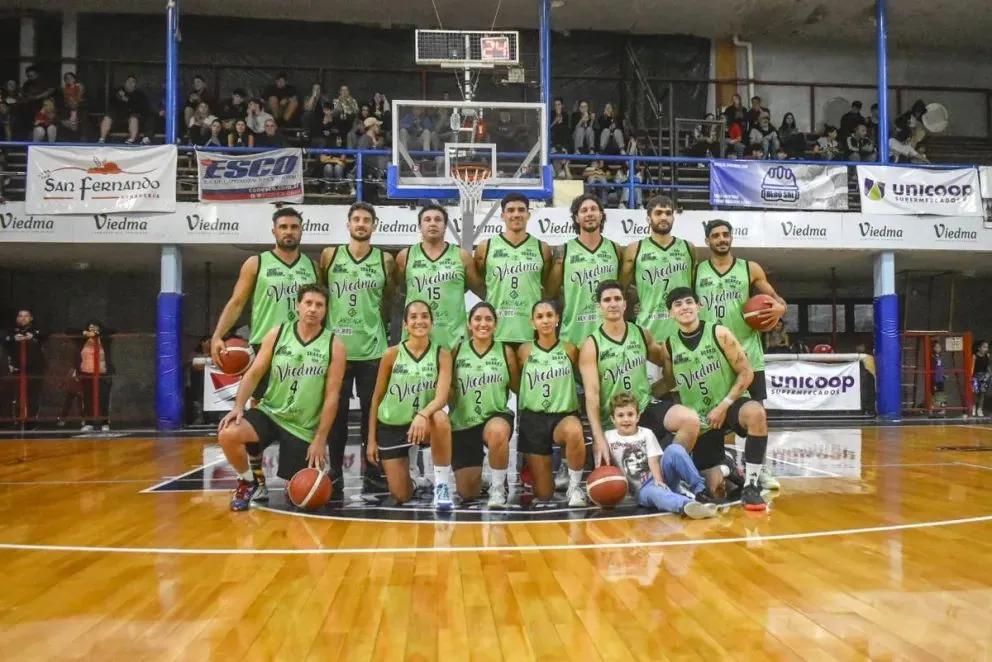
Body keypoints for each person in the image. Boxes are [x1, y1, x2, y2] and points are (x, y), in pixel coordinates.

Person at [210, 207, 319, 497]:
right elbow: (237, 302)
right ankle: (256, 481)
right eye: (283, 226)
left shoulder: (312, 266)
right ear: (274, 231)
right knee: (258, 415)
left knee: (302, 413)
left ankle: (298, 468)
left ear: (301, 230)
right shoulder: (256, 263)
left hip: (304, 352)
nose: (288, 231)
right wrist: (218, 335)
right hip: (266, 350)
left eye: (294, 227)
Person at [217, 285, 346, 512]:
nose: (313, 309)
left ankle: (294, 475)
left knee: (304, 495)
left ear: (326, 310)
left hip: (302, 427)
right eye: (308, 303)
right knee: (228, 433)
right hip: (271, 412)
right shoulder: (278, 333)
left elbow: (332, 396)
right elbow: (255, 372)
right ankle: (247, 482)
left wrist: (319, 439)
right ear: (298, 306)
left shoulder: (334, 345)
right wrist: (238, 406)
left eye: (319, 305)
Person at [660, 287, 770, 511]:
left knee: (756, 413)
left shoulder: (719, 333)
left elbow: (747, 372)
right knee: (713, 486)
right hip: (701, 419)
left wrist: (724, 406)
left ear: (699, 306)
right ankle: (727, 465)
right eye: (677, 305)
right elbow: (670, 383)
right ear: (671, 313)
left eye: (689, 302)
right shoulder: (669, 345)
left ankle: (751, 484)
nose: (684, 308)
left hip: (728, 406)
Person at [695, 219, 786, 489]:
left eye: (725, 234)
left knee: (756, 414)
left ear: (731, 238)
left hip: (749, 354)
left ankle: (758, 467)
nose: (721, 239)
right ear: (707, 241)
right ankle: (719, 465)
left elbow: (777, 301)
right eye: (715, 235)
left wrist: (780, 309)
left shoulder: (750, 269)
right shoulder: (696, 271)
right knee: (714, 416)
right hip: (713, 358)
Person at [579, 280, 702, 468]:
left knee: (690, 420)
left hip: (644, 408)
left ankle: (666, 472)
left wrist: (659, 387)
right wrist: (598, 437)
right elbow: (592, 395)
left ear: (625, 304)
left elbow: (667, 362)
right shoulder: (591, 345)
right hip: (614, 418)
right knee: (615, 487)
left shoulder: (641, 334)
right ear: (599, 306)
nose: (613, 304)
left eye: (617, 299)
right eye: (607, 300)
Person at [320, 202, 396, 493]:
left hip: (372, 349)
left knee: (371, 415)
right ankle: (335, 469)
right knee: (335, 415)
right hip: (338, 350)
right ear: (348, 224)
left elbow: (388, 299)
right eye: (356, 219)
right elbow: (322, 292)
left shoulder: (385, 260)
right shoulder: (330, 255)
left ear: (374, 225)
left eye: (366, 220)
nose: (361, 224)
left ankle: (373, 470)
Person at [368, 300, 454, 510]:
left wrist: (423, 414)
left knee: (441, 418)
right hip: (392, 425)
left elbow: (441, 397)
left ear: (432, 323)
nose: (419, 321)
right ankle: (416, 481)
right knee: (401, 495)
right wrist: (371, 440)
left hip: (422, 424)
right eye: (413, 317)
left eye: (424, 316)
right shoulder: (392, 354)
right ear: (405, 325)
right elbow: (376, 398)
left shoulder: (442, 354)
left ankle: (442, 486)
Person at [517, 300, 588, 506]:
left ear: (557, 319)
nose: (545, 320)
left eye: (549, 315)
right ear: (532, 322)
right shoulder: (524, 351)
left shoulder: (570, 349)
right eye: (540, 317)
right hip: (533, 419)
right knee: (544, 494)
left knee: (575, 431)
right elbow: (516, 382)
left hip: (563, 415)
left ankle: (574, 487)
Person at [620, 195, 697, 384]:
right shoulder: (635, 249)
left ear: (673, 218)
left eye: (668, 213)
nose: (663, 217)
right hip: (648, 332)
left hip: (682, 332)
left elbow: (692, 288)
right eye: (658, 213)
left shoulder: (688, 248)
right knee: (648, 398)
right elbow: (621, 289)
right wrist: (637, 302)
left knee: (685, 399)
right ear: (648, 218)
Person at [605, 392, 719, 518]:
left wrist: (659, 481)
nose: (626, 419)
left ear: (638, 417)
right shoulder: (608, 437)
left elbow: (653, 460)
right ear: (612, 419)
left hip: (661, 477)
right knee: (656, 493)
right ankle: (688, 505)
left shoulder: (646, 433)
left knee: (674, 449)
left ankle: (701, 490)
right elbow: (605, 467)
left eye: (630, 414)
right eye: (620, 415)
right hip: (642, 489)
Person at [449, 302, 519, 507]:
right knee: (467, 493)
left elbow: (518, 388)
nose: (483, 323)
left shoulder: (505, 352)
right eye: (477, 319)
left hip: (495, 415)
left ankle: (497, 489)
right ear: (469, 324)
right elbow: (448, 388)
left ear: (495, 325)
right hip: (463, 422)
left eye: (489, 319)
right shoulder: (456, 351)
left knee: (497, 431)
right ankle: (483, 475)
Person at [395, 204, 485, 350]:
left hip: (454, 339)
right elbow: (396, 290)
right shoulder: (405, 256)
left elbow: (480, 289)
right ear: (420, 226)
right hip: (416, 337)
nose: (432, 223)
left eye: (438, 220)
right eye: (427, 219)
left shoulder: (462, 256)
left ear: (445, 226)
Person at [474, 193, 552, 348]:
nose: (516, 214)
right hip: (496, 328)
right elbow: (480, 282)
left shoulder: (542, 248)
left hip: (530, 328)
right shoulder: (485, 247)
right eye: (511, 210)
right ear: (503, 215)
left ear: (528, 215)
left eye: (521, 210)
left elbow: (544, 284)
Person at [548, 193, 622, 347]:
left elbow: (623, 286)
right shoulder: (564, 251)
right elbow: (550, 291)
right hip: (573, 335)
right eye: (584, 210)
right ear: (576, 218)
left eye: (593, 209)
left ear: (601, 215)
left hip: (609, 334)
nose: (589, 214)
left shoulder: (616, 249)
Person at [3, 309, 46, 427]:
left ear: (31, 318)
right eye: (20, 316)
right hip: (17, 369)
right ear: (17, 318)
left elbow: (46, 333)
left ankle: (31, 422)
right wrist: (13, 338)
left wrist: (32, 336)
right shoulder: (12, 331)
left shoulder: (36, 330)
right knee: (17, 396)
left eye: (26, 316)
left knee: (33, 396)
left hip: (35, 369)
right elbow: (3, 337)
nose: (23, 318)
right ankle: (17, 421)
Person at [74, 320, 115, 432]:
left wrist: (97, 333)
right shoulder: (82, 340)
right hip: (87, 373)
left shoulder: (104, 339)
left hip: (102, 373)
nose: (92, 329)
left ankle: (104, 423)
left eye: (95, 327)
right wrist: (84, 333)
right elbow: (69, 330)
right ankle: (88, 423)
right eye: (90, 327)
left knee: (103, 399)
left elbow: (112, 330)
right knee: (87, 399)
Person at [972, 341, 990, 417]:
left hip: (984, 377)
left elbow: (988, 367)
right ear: (979, 348)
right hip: (975, 376)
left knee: (982, 394)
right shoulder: (974, 356)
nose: (986, 349)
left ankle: (980, 409)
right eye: (984, 347)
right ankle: (973, 407)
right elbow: (972, 368)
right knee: (975, 393)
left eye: (987, 347)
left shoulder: (987, 356)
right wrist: (971, 377)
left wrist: (988, 375)